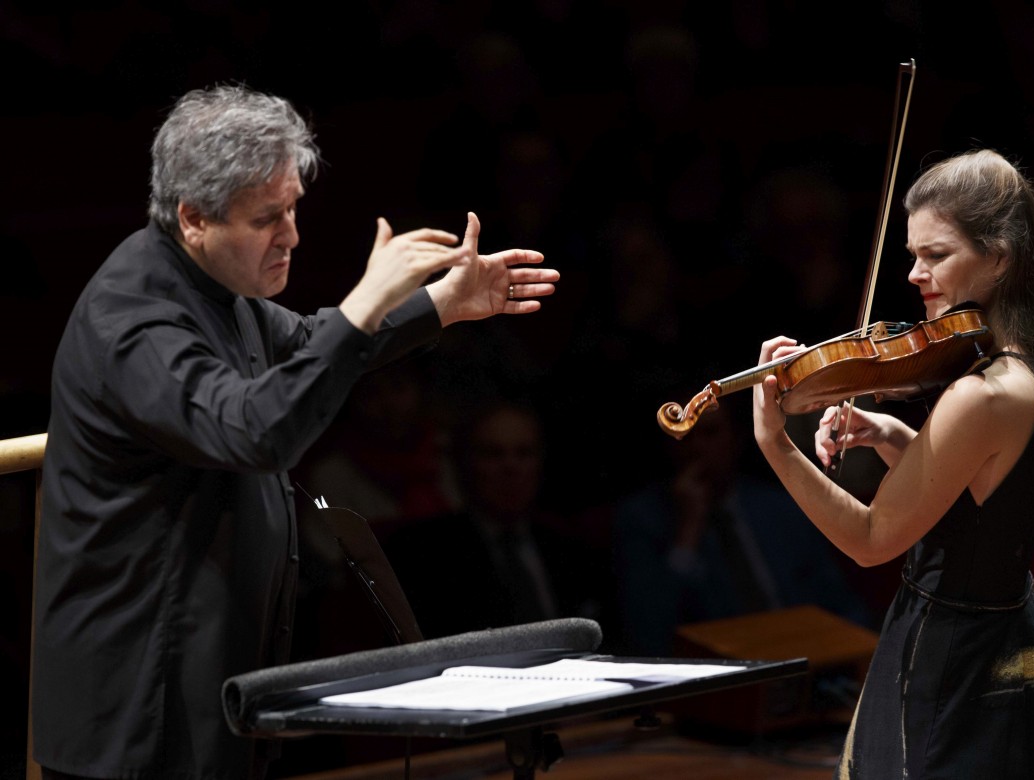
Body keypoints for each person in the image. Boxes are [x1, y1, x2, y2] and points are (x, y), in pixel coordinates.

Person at [30, 84, 558, 780]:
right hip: (136, 715)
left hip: (204, 693)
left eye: (294, 209)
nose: (293, 236)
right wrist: (368, 297)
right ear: (192, 218)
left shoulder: (220, 292)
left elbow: (314, 343)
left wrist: (438, 306)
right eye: (267, 218)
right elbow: (256, 432)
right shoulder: (132, 321)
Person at [750, 149, 1034, 778]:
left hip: (949, 655)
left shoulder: (980, 393)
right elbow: (984, 499)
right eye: (913, 254)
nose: (914, 274)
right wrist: (888, 432)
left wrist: (776, 443)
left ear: (999, 255)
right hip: (1008, 634)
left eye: (936, 256)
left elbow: (871, 539)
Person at [612, 399, 872, 657]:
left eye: (710, 432)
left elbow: (838, 601)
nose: (697, 447)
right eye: (685, 436)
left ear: (736, 439)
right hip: (715, 677)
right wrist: (687, 532)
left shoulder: (779, 508)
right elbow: (649, 632)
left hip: (808, 661)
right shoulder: (643, 519)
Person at [385, 398, 609, 641]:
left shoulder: (570, 550)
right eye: (493, 454)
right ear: (464, 463)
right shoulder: (423, 552)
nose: (511, 468)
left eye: (524, 453)